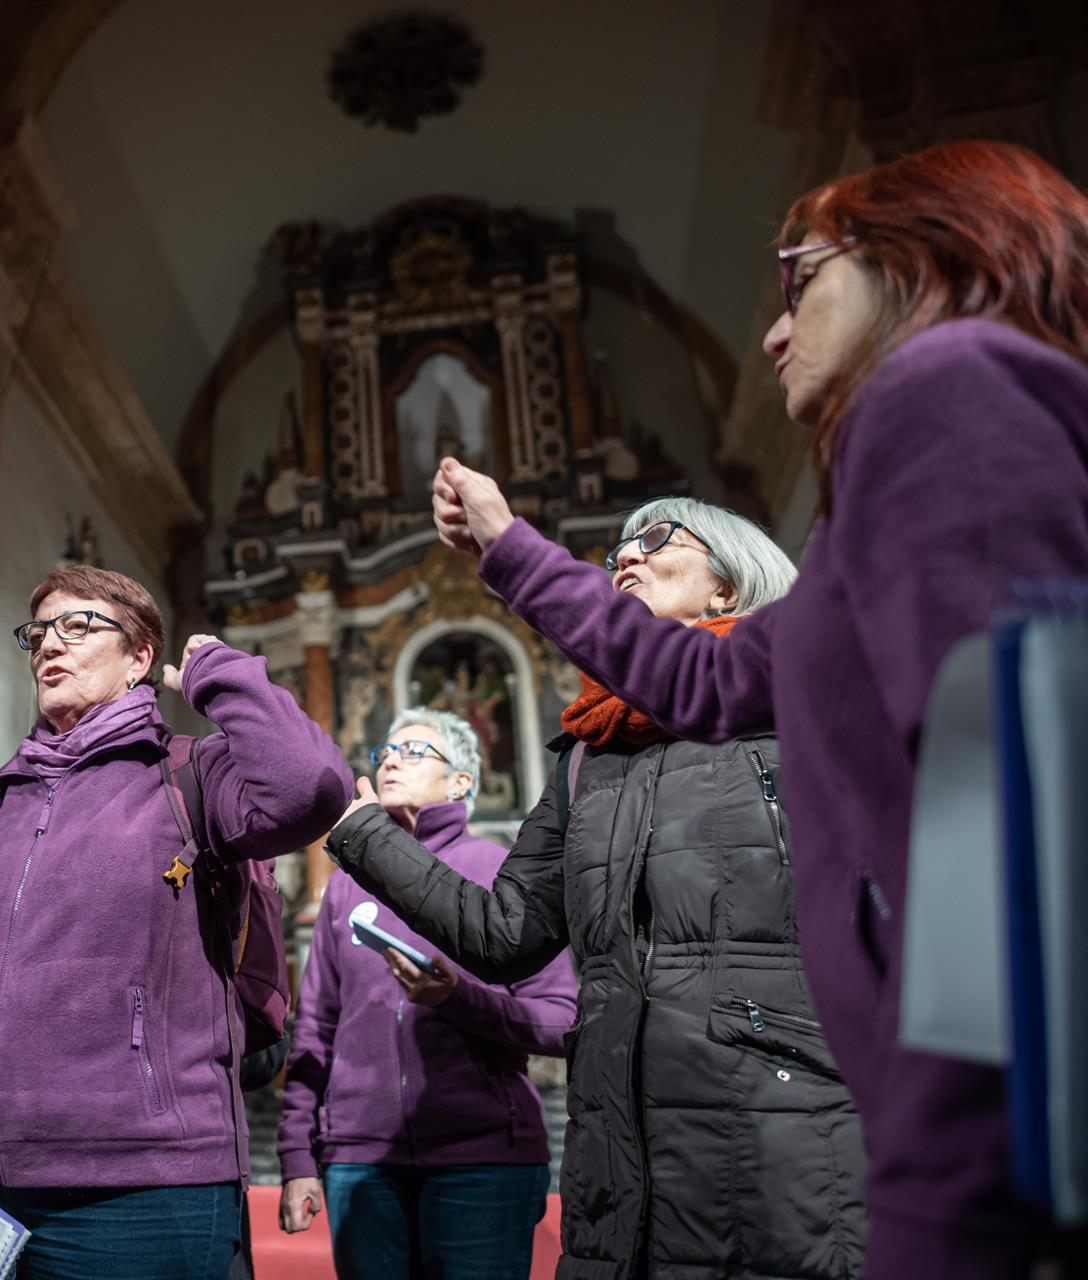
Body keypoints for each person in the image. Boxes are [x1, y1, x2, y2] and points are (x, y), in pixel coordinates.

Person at [423, 139, 1088, 1280]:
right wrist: (509, 547)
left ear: (918, 261)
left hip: (976, 1152)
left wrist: (954, 1192)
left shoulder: (951, 386)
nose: (774, 333)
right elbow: (707, 682)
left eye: (799, 282)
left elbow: (1019, 828)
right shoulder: (870, 498)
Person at [327, 498, 868, 1277]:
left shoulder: (797, 701)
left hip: (785, 1134)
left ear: (727, 585)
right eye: (617, 548)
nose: (626, 557)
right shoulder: (589, 757)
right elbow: (504, 934)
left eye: (654, 540)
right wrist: (361, 828)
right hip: (618, 1153)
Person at [0, 565, 351, 1279]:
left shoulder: (190, 775)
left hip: (141, 1188)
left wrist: (219, 673)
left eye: (80, 626)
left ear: (140, 659)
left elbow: (313, 787)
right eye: (40, 633)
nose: (51, 645)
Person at [278, 708, 576, 1280]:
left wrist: (457, 998)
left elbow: (561, 1021)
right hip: (360, 1160)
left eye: (414, 752)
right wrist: (297, 1155)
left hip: (482, 1158)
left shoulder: (500, 875)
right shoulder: (346, 886)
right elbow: (314, 1028)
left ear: (462, 782)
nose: (391, 760)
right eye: (385, 752)